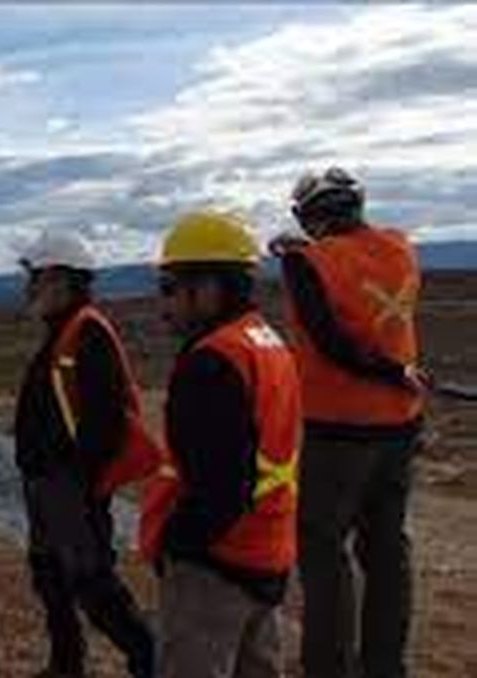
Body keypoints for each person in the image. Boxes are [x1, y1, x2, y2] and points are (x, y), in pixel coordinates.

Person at [271, 167, 428, 678]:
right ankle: (385, 666)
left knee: (323, 552)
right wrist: (397, 373)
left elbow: (331, 342)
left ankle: (328, 667)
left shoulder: (307, 263)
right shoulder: (400, 248)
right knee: (386, 549)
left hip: (338, 429)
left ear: (310, 217)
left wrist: (294, 257)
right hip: (400, 423)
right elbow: (356, 273)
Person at [139, 210, 301, 678]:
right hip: (267, 549)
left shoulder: (214, 360)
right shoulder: (267, 343)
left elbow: (220, 484)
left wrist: (178, 545)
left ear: (209, 288)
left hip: (216, 564)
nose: (164, 304)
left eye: (170, 287)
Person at [14, 229, 158, 678]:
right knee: (49, 574)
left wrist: (79, 480)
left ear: (62, 280)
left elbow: (106, 419)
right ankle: (66, 663)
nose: (30, 287)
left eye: (36, 277)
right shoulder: (64, 329)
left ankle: (149, 661)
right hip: (49, 482)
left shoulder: (87, 331)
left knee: (91, 581)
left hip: (68, 485)